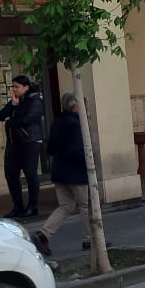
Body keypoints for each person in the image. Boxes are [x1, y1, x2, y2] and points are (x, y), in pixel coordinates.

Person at [31, 93, 89, 257]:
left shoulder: (57, 122)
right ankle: (91, 238)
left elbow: (50, 149)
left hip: (60, 171)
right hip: (76, 172)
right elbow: (76, 150)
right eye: (82, 105)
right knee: (86, 206)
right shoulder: (76, 124)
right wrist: (89, 159)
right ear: (75, 107)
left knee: (66, 205)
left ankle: (43, 234)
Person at [0, 75, 45, 218]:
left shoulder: (35, 101)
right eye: (13, 86)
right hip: (13, 143)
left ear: (26, 87)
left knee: (30, 174)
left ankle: (32, 207)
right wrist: (12, 105)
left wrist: (10, 122)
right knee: (11, 174)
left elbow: (26, 119)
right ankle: (18, 206)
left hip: (30, 141)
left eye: (17, 86)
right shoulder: (16, 102)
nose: (14, 89)